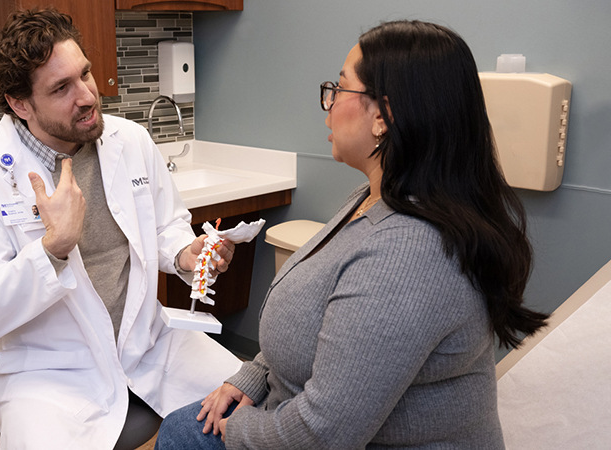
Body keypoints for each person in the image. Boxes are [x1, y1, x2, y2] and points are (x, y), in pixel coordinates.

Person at [154, 20, 549, 450]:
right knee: (185, 425)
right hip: (298, 407)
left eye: (339, 88)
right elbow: (313, 320)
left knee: (183, 433)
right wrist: (253, 375)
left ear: (382, 116)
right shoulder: (374, 200)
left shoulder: (405, 256)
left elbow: (322, 433)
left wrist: (238, 430)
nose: (328, 103)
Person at [0, 8, 242, 449]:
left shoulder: (131, 140)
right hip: (48, 373)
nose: (87, 96)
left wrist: (184, 253)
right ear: (20, 103)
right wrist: (52, 250)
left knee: (259, 407)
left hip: (151, 345)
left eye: (85, 74)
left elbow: (166, 226)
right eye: (61, 88)